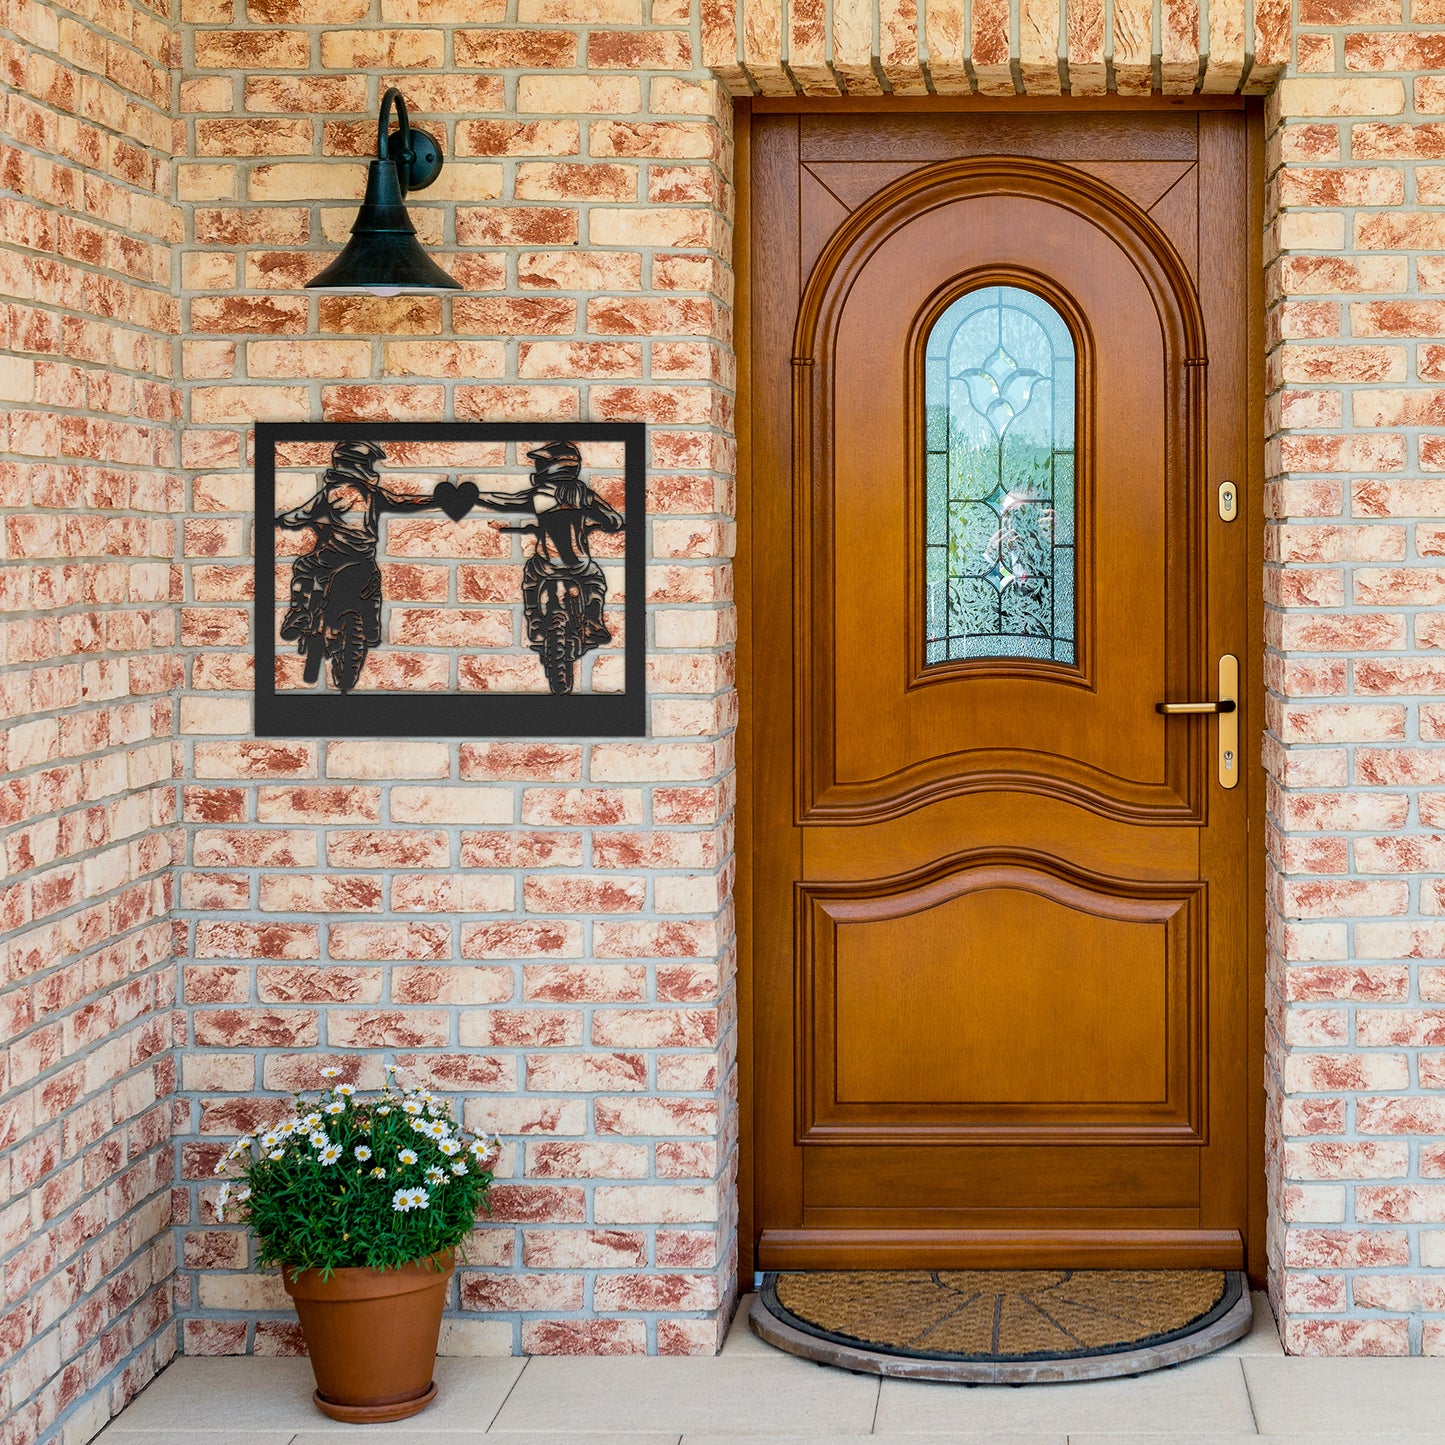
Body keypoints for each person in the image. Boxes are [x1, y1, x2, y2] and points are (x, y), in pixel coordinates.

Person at [276, 439, 436, 667]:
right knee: (372, 586)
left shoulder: (330, 492)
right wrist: (436, 500)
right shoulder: (375, 495)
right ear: (361, 466)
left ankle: (299, 612)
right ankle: (372, 629)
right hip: (364, 558)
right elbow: (403, 502)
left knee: (303, 566)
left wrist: (284, 519)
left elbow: (301, 514)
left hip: (334, 556)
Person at [475, 440, 624, 654]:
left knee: (530, 580)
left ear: (551, 466)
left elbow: (504, 501)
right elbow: (613, 519)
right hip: (579, 565)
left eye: (541, 464)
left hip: (546, 564)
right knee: (596, 582)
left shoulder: (540, 495)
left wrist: (475, 496)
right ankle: (592, 623)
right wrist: (608, 524)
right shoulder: (583, 494)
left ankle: (535, 619)